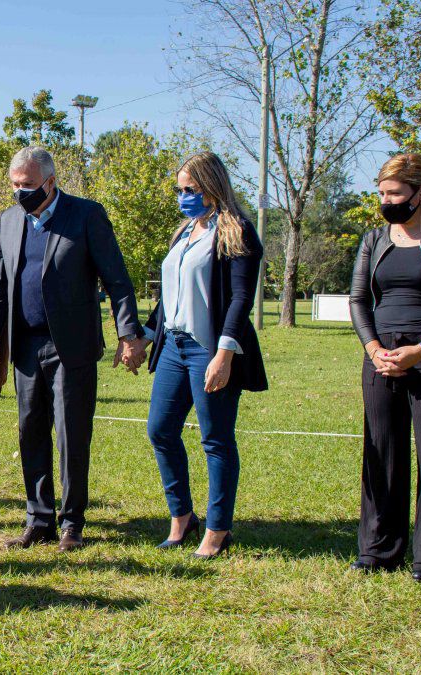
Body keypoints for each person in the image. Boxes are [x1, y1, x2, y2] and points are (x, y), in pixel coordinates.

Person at [0, 147, 148, 552]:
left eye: (28, 186)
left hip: (70, 347)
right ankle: (38, 520)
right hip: (25, 346)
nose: (21, 193)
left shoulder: (86, 215)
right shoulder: (8, 221)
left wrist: (129, 333)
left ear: (51, 182)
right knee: (30, 432)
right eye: (15, 186)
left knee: (71, 435)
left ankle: (71, 522)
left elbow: (117, 280)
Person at [139, 151, 267, 559]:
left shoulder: (237, 231)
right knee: (160, 429)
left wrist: (225, 354)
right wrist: (144, 335)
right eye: (180, 190)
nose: (183, 197)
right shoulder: (183, 233)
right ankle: (182, 519)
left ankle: (218, 530)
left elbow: (241, 298)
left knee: (215, 440)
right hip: (173, 347)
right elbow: (168, 297)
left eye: (190, 189)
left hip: (211, 349)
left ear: (212, 187)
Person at [348, 153, 421, 584]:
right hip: (381, 357)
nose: (386, 201)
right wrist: (374, 347)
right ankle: (379, 549)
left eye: (394, 193)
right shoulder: (374, 240)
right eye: (381, 193)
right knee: (382, 451)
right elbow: (359, 300)